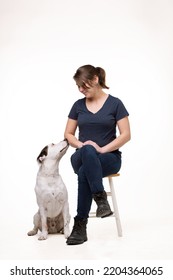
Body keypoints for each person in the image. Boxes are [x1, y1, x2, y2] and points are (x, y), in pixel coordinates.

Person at [64, 64, 131, 245]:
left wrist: (101, 149)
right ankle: (100, 199)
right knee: (87, 151)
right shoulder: (77, 106)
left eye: (84, 86)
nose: (81, 90)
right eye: (78, 87)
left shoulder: (115, 103)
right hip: (81, 156)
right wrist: (84, 145)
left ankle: (80, 226)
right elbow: (68, 134)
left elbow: (126, 134)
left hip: (109, 158)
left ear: (95, 79)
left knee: (86, 172)